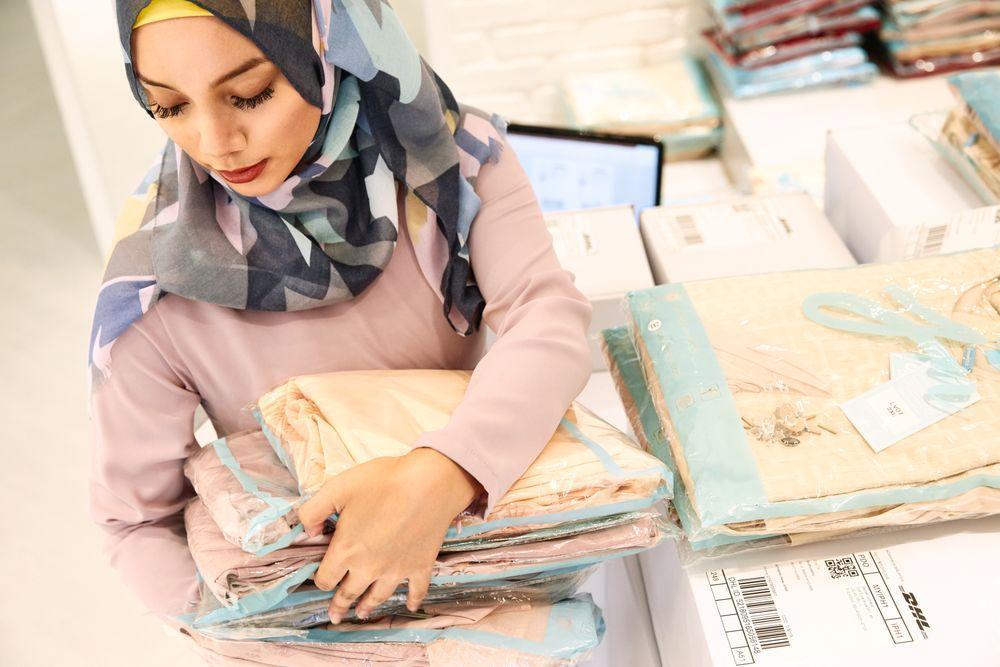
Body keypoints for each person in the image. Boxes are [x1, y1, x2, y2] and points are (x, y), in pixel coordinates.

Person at [89, 0, 593, 632]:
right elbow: (134, 523)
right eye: (170, 106)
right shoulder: (157, 279)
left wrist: (444, 472)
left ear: (328, 49)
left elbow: (547, 319)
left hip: (481, 565)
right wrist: (273, 631)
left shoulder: (450, 161)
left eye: (250, 93)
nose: (215, 143)